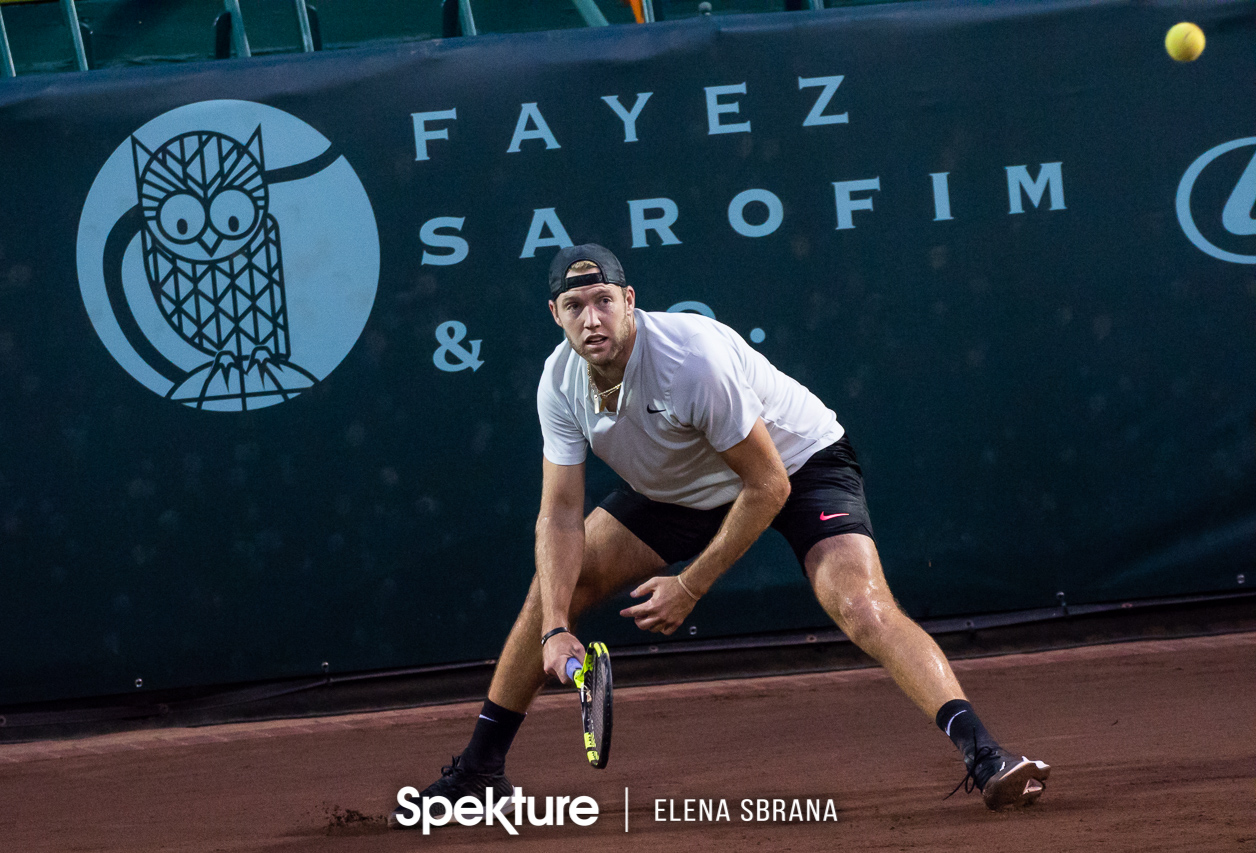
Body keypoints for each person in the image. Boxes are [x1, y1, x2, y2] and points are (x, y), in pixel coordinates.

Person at [396, 243, 1049, 822]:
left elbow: (767, 485)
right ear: (556, 314)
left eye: (603, 300)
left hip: (797, 465)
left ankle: (986, 754)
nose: (591, 318)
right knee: (551, 586)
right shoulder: (558, 382)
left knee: (862, 607)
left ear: (629, 302)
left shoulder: (690, 360)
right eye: (575, 305)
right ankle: (480, 770)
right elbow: (560, 514)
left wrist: (688, 584)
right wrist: (557, 624)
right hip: (677, 487)